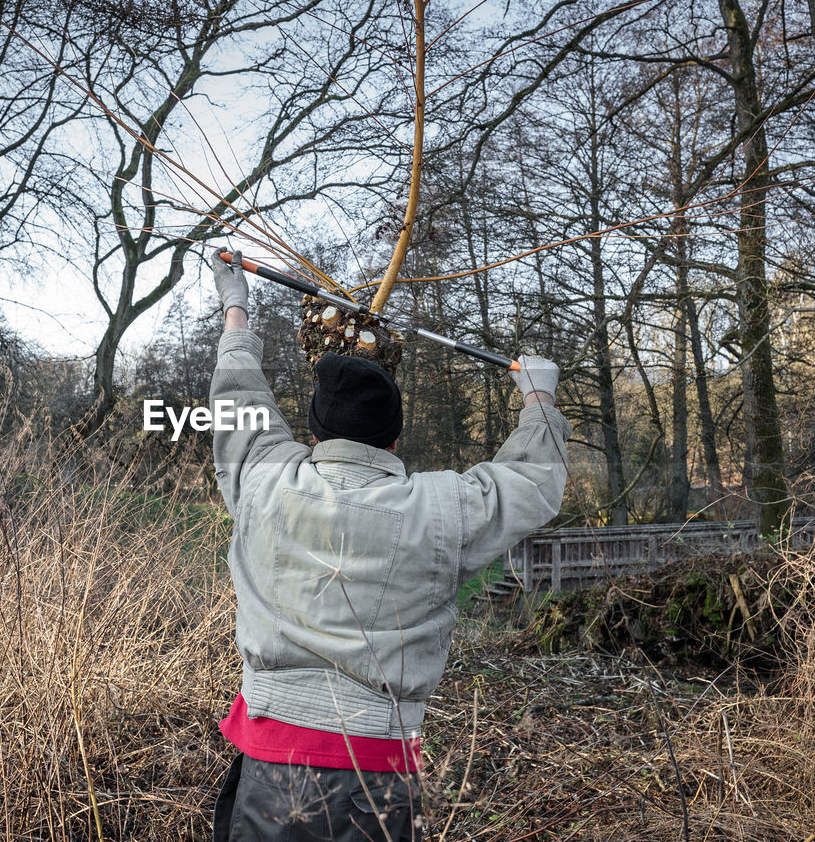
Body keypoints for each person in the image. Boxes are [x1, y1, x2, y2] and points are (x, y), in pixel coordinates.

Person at [206, 249, 571, 842]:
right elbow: (532, 482)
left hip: (270, 762)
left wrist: (235, 305)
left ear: (314, 430)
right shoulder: (443, 508)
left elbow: (237, 402)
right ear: (396, 440)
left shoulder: (263, 479)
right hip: (376, 773)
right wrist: (538, 401)